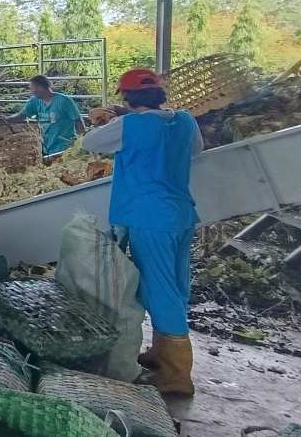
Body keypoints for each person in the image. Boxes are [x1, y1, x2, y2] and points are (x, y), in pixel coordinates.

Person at [83, 68, 203, 396]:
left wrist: (118, 118)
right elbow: (195, 149)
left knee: (158, 289)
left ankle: (177, 375)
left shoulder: (131, 125)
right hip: (181, 214)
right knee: (176, 286)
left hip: (149, 217)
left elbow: (90, 142)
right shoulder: (185, 120)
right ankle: (162, 352)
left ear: (126, 97)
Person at [2, 75, 84, 157]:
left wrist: (81, 142)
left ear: (40, 88)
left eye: (32, 89)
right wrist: (6, 119)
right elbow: (21, 115)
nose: (31, 92)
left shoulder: (64, 101)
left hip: (64, 147)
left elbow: (78, 121)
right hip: (45, 146)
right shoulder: (34, 101)